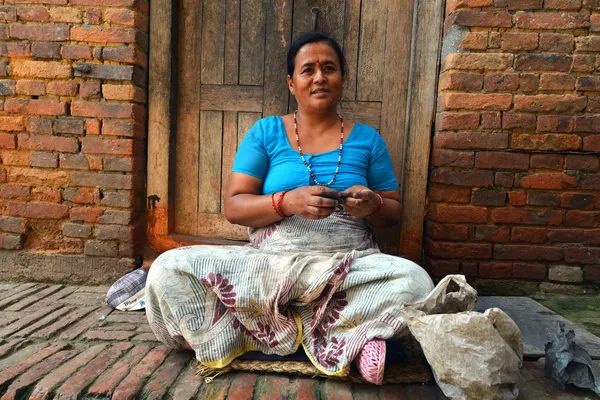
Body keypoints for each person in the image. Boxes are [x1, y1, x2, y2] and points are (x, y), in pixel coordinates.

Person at [145, 31, 434, 385]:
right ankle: (345, 337)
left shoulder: (368, 139)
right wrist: (287, 202)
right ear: (291, 82)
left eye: (329, 68)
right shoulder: (266, 133)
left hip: (348, 265)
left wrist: (373, 204)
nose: (319, 77)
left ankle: (268, 333)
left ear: (342, 79)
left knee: (416, 283)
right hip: (271, 265)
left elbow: (394, 212)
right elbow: (234, 208)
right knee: (167, 270)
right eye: (307, 69)